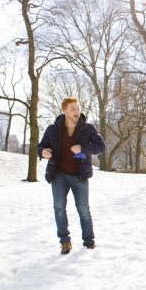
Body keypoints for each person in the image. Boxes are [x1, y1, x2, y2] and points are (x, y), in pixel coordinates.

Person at [37, 97, 105, 255]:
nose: (77, 111)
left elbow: (100, 146)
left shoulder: (88, 128)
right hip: (58, 176)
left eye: (78, 108)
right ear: (65, 111)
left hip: (80, 176)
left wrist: (82, 147)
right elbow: (40, 147)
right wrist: (43, 152)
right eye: (73, 109)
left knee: (83, 210)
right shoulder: (52, 130)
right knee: (59, 208)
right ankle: (65, 241)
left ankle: (89, 242)